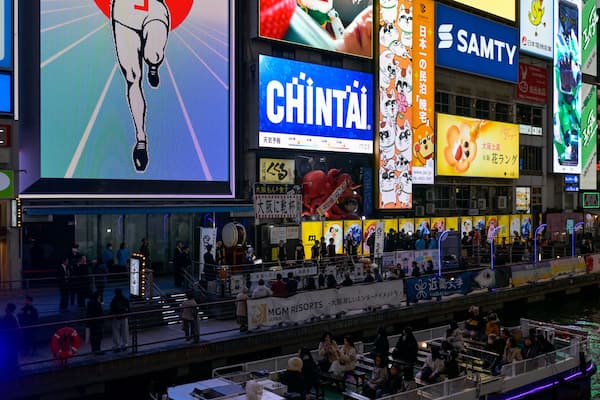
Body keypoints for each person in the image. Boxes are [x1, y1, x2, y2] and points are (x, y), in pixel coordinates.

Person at [111, 0, 170, 172]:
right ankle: (141, 139)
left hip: (153, 10)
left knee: (154, 53)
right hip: (124, 13)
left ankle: (153, 65)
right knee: (132, 77)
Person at [0, 303, 20, 376]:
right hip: (12, 340)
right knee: (13, 354)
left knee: (9, 354)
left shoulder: (7, 317)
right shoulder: (13, 317)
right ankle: (15, 367)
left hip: (8, 340)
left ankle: (9, 369)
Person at [109, 288, 130, 353]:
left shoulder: (114, 300)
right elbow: (128, 308)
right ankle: (125, 345)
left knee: (116, 332)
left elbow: (111, 309)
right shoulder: (125, 299)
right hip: (124, 317)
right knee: (125, 331)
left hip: (116, 318)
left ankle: (117, 346)